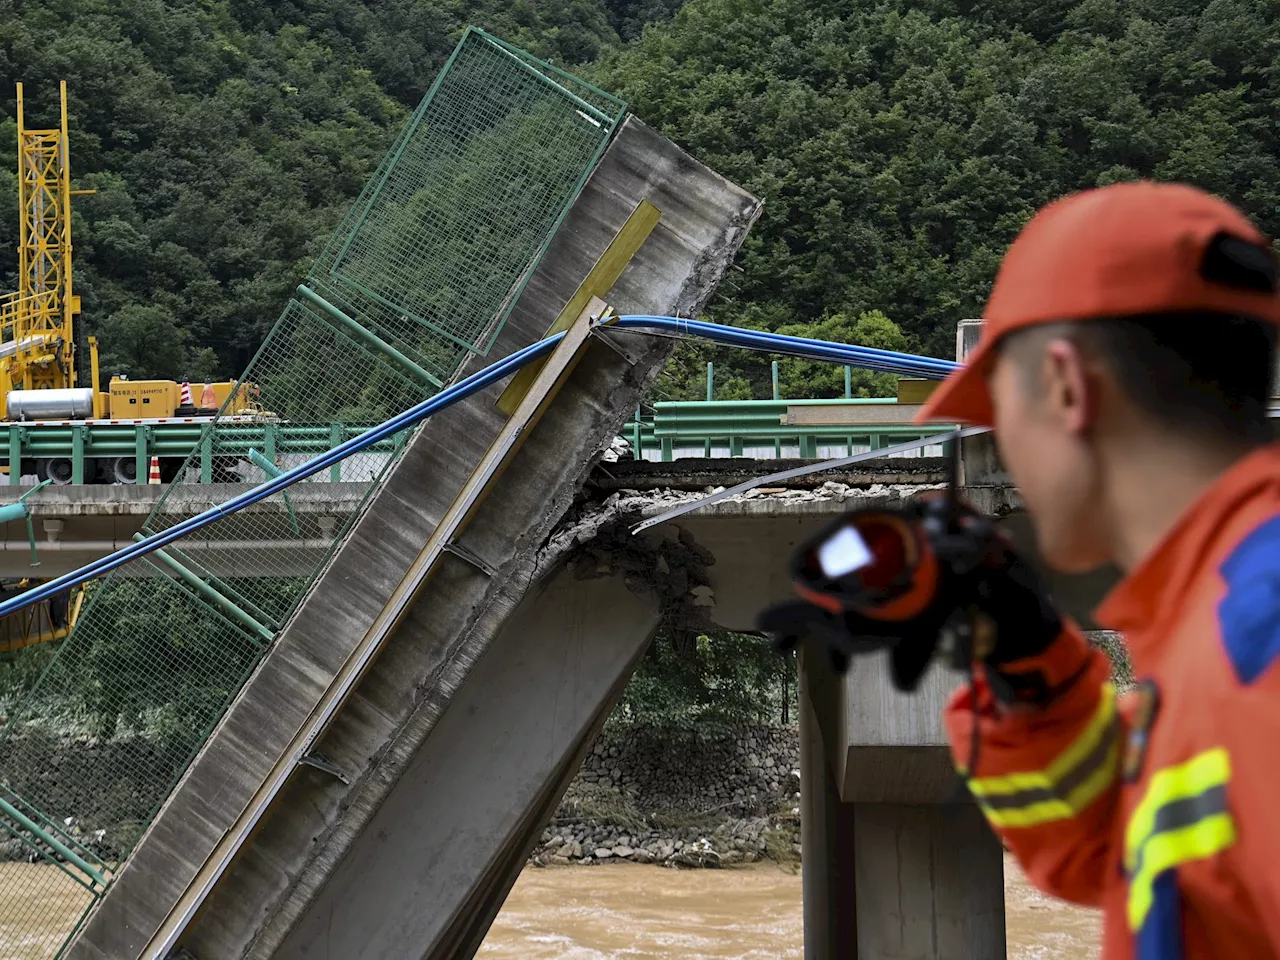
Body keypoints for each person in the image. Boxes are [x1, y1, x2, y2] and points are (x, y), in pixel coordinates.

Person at [911, 181, 1280, 958]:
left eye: (998, 413)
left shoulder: (1258, 632)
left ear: (1066, 387)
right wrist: (1026, 662)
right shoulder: (1212, 622)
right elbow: (1125, 855)